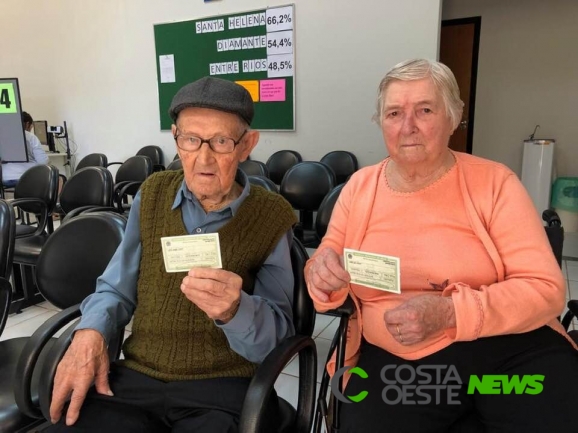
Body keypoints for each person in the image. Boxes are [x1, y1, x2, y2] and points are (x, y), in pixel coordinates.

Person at [306, 59, 578, 432]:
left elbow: (546, 290)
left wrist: (451, 313)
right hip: (400, 361)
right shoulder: (359, 187)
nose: (408, 127)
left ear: (453, 117)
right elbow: (329, 256)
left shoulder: (495, 183)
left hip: (507, 351)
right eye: (394, 113)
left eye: (425, 110)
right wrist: (320, 272)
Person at [47, 77, 297, 432]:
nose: (203, 158)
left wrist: (236, 309)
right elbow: (116, 288)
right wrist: (90, 333)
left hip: (221, 389)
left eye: (222, 142)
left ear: (247, 146)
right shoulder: (152, 195)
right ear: (177, 139)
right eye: (191, 140)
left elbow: (279, 336)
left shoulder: (270, 215)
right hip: (137, 378)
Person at [1, 111, 49, 188]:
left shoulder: (3, 136)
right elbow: (43, 161)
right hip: (26, 177)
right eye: (31, 126)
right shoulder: (30, 137)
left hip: (4, 178)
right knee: (58, 178)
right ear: (27, 124)